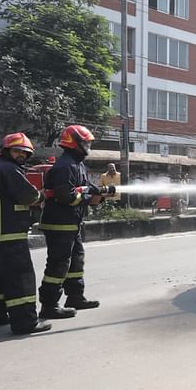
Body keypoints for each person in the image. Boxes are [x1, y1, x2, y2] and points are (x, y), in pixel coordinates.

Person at [37, 124, 114, 318]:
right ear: (75, 142)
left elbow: (85, 188)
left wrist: (101, 192)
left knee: (76, 261)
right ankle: (49, 305)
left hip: (72, 223)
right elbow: (67, 196)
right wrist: (90, 198)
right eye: (86, 142)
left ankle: (75, 297)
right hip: (59, 223)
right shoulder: (65, 166)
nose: (88, 145)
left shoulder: (77, 164)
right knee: (58, 264)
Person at [0, 133, 51, 334]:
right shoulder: (9, 170)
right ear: (6, 151)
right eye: (17, 150)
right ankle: (26, 322)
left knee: (1, 276)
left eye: (25, 152)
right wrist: (42, 196)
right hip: (9, 234)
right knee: (21, 277)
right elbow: (28, 195)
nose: (21, 155)